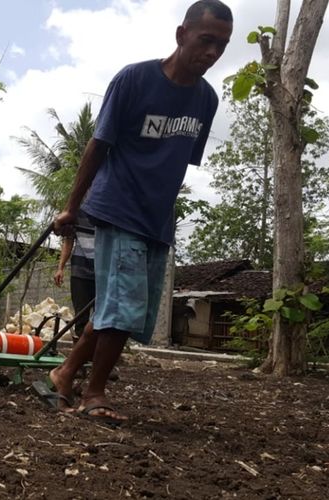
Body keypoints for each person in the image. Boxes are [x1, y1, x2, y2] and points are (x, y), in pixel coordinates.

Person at [47, 0, 233, 425]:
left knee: (120, 309)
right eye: (206, 40)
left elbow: (175, 162)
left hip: (157, 218)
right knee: (123, 307)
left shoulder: (206, 100)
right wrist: (71, 208)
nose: (213, 52)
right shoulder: (134, 79)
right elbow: (98, 145)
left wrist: (162, 212)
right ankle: (94, 393)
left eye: (222, 45)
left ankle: (64, 373)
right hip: (117, 206)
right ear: (181, 34)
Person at [53, 208, 95, 343]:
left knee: (102, 316)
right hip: (80, 271)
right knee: (81, 316)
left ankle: (97, 355)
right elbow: (68, 241)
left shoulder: (108, 211)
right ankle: (81, 356)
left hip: (103, 272)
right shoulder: (76, 213)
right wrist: (60, 268)